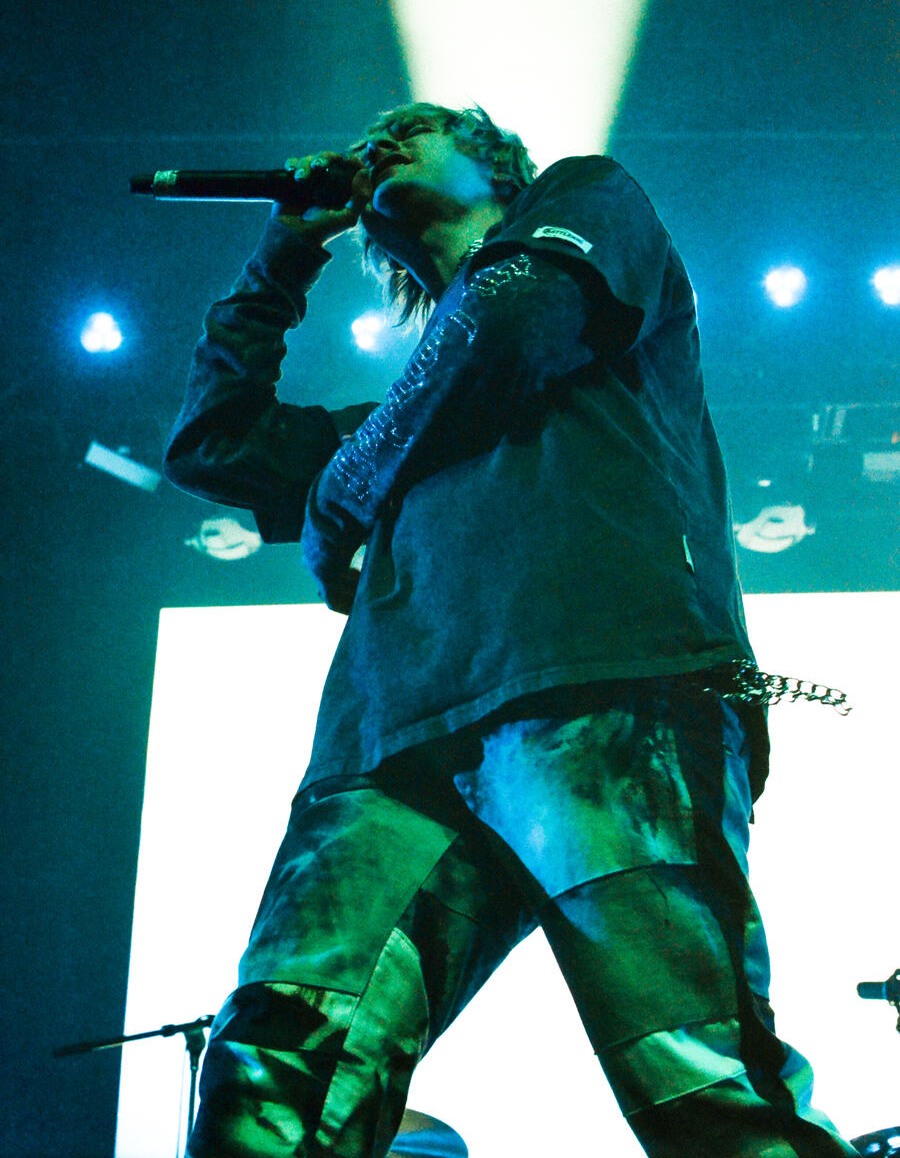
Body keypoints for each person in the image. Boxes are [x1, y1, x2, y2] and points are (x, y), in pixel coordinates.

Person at [164, 102, 855, 1157]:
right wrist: (282, 252)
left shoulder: (587, 198)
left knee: (703, 1088)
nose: (381, 140)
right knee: (268, 1086)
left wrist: (344, 493)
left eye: (417, 127)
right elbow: (213, 445)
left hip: (606, 692)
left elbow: (514, 317)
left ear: (495, 167)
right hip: (386, 749)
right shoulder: (390, 424)